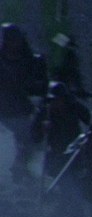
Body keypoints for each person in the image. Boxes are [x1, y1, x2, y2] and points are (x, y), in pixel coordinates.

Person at [0, 23, 48, 182]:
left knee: (29, 141)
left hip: (25, 110)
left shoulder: (32, 62)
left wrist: (37, 100)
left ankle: (24, 170)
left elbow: (41, 87)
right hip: (4, 112)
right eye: (10, 40)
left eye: (16, 40)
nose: (14, 44)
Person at [31, 81, 90, 178]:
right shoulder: (44, 113)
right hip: (55, 153)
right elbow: (35, 138)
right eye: (54, 100)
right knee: (57, 176)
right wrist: (42, 129)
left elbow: (90, 120)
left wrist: (86, 138)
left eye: (60, 99)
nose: (57, 103)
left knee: (77, 178)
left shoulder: (73, 107)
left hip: (74, 151)